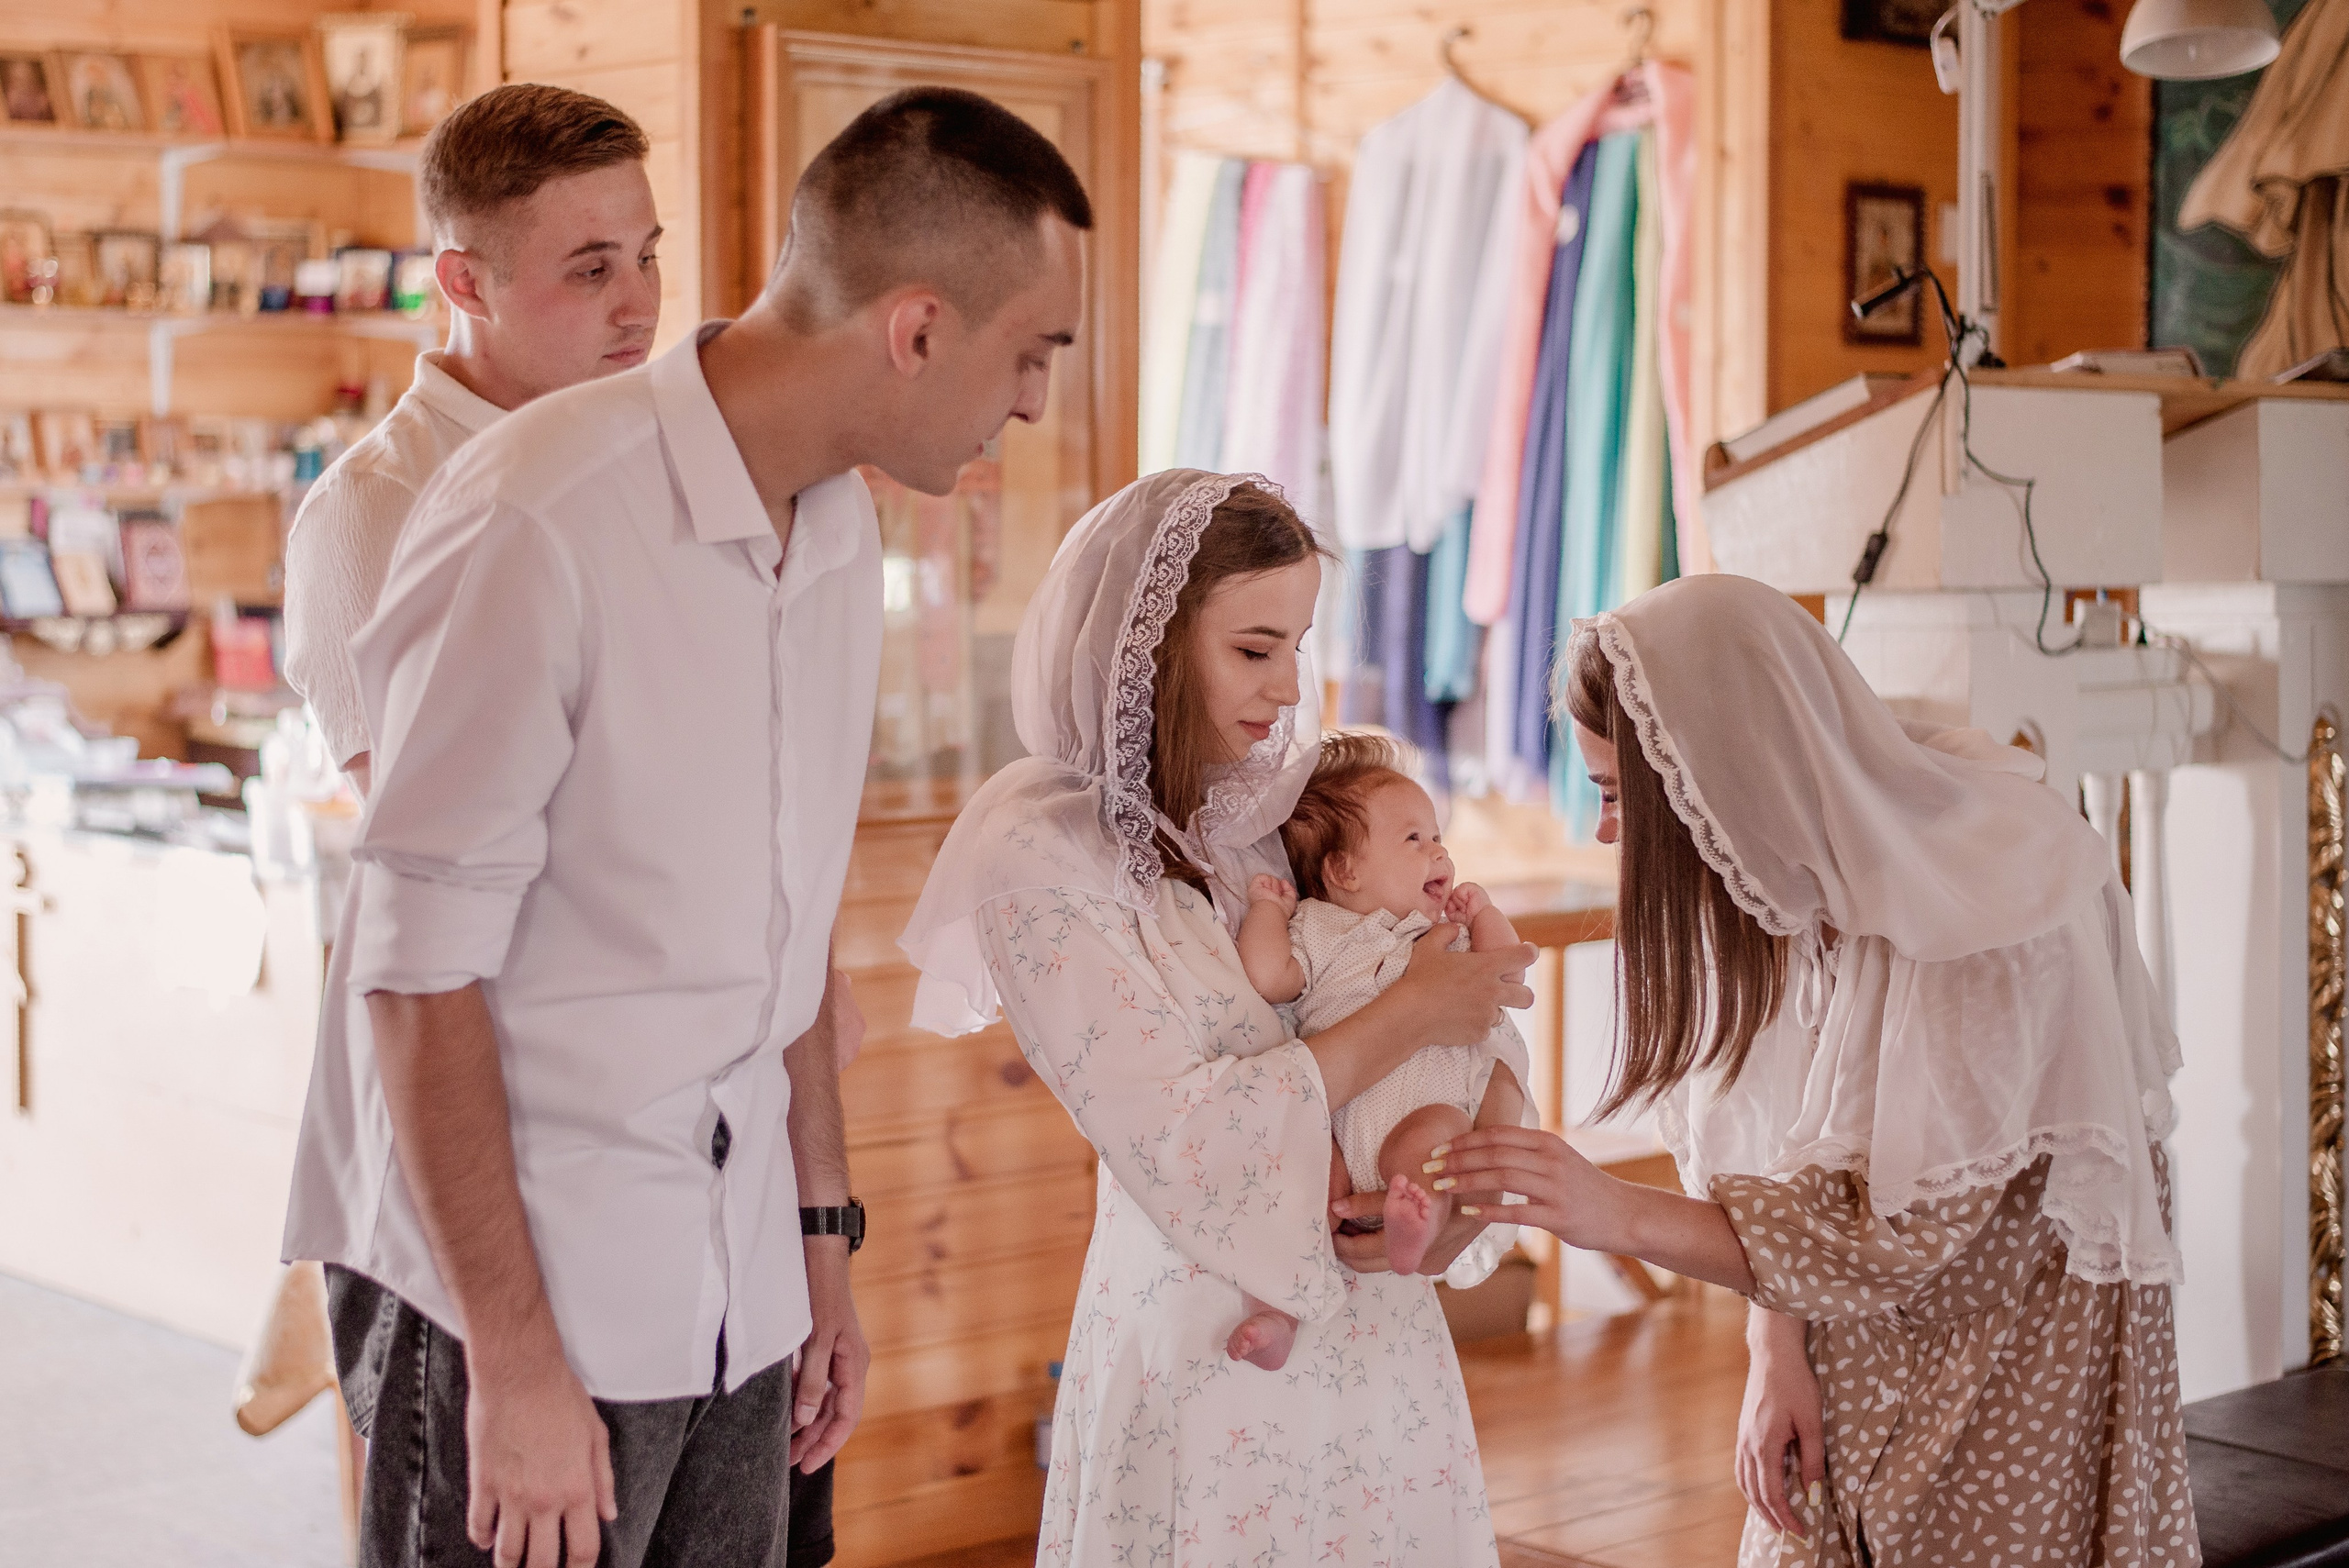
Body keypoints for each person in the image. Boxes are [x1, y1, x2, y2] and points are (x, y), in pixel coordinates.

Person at [283, 84, 1093, 1568]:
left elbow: (784, 936)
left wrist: (819, 1238)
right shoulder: (534, 514)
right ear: (915, 330)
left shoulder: (842, 530)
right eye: (1029, 352)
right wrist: (517, 1361)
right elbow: (412, 959)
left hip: (739, 1283)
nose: (1032, 400)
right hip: (530, 1290)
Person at [1431, 573, 2199, 1566]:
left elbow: (1885, 1227)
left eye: (1619, 793)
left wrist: (1608, 1209)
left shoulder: (1998, 897)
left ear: (1716, 770)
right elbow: (1782, 1153)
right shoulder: (1781, 880)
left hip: (2008, 1382)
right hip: (1852, 1351)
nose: (1606, 834)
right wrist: (1773, 1345)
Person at [901, 469, 1540, 1567]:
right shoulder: (1038, 858)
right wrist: (1413, 1013)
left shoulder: (1263, 814)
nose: (1289, 687)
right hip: (1208, 1357)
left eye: (1297, 645)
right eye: (1254, 649)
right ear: (1148, 648)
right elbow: (1185, 1138)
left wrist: (1468, 1177)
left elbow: (1459, 1016)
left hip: (1377, 1332)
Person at [284, 83, 660, 797]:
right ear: (467, 283)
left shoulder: (659, 462)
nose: (641, 308)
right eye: (592, 270)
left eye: (647, 258)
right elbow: (421, 840)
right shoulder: (371, 512)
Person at [1224, 731, 1531, 1368]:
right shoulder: (1317, 928)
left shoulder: (1441, 933)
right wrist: (1265, 911)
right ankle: (1277, 1312)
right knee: (1299, 1188)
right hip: (1335, 1118)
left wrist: (1484, 916)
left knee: (1428, 1148)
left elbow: (1506, 980)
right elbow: (1269, 976)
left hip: (1424, 1106)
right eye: (1414, 838)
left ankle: (1414, 1222)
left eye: (1438, 834)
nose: (1439, 849)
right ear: (1343, 870)